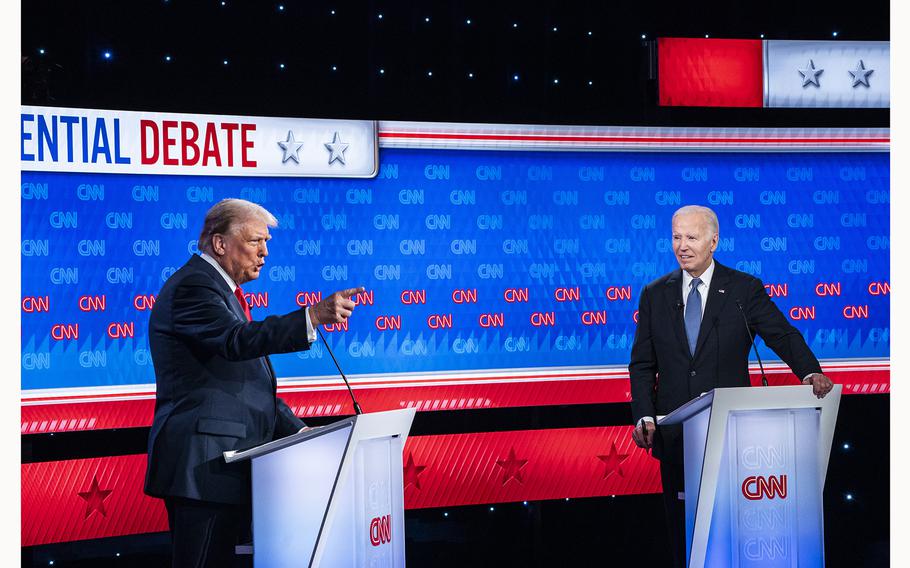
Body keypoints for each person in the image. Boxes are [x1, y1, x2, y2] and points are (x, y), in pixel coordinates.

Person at [144, 198, 364, 567]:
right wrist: (310, 316)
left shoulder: (220, 291)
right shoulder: (194, 287)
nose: (264, 253)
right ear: (220, 243)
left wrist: (299, 433)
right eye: (255, 242)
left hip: (224, 465)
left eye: (266, 243)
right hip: (204, 467)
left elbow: (247, 380)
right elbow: (237, 341)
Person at [628, 205, 833, 568]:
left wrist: (808, 372)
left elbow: (781, 335)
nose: (682, 246)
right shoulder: (655, 294)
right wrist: (644, 414)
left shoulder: (743, 290)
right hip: (678, 438)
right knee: (683, 536)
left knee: (731, 535)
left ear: (714, 241)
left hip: (734, 438)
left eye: (691, 237)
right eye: (676, 237)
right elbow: (643, 365)